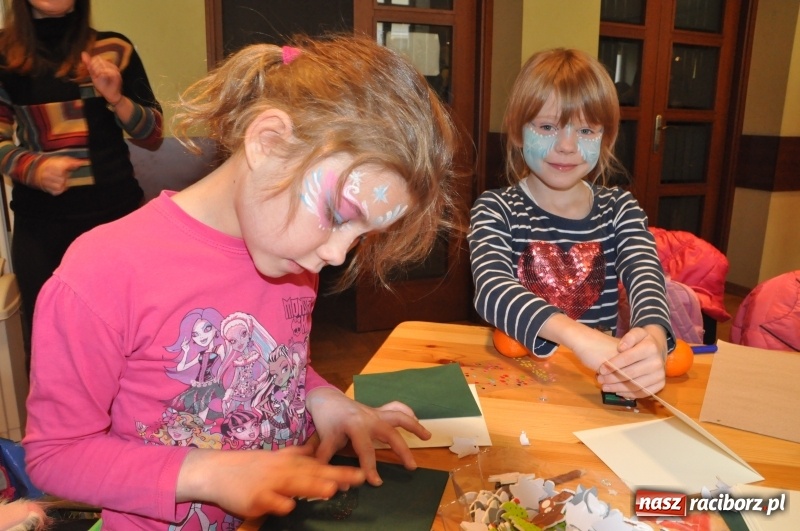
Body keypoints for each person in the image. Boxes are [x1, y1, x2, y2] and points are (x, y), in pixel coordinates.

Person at [23, 33, 460, 530]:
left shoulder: (292, 256)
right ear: (268, 141)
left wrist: (327, 401)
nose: (337, 254)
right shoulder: (104, 271)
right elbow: (56, 455)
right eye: (339, 214)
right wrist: (208, 473)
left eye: (363, 235)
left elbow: (280, 369)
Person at [468, 48, 674, 398]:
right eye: (547, 127)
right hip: (519, 380)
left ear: (605, 139)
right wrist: (578, 337)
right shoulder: (496, 209)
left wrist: (653, 337)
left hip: (595, 385)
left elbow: (646, 276)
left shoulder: (619, 209)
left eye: (586, 130)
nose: (566, 146)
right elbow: (491, 289)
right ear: (518, 133)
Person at [0, 0, 163, 373]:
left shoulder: (113, 48)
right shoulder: (5, 56)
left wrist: (117, 99)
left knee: (127, 345)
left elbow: (152, 133)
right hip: (41, 231)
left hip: (116, 225)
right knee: (51, 350)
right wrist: (33, 168)